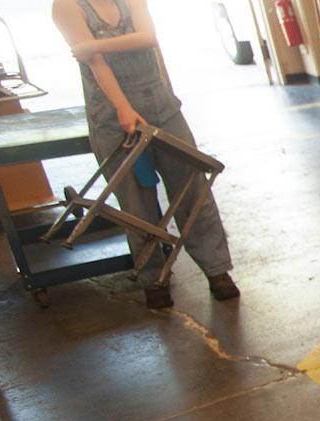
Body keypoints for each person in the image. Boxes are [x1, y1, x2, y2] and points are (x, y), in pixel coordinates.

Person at [51, 0, 239, 309]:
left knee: (192, 189)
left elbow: (148, 37)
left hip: (161, 104)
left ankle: (217, 270)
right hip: (113, 114)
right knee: (137, 204)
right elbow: (96, 63)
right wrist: (123, 107)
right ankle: (153, 279)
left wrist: (93, 44)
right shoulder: (67, 6)